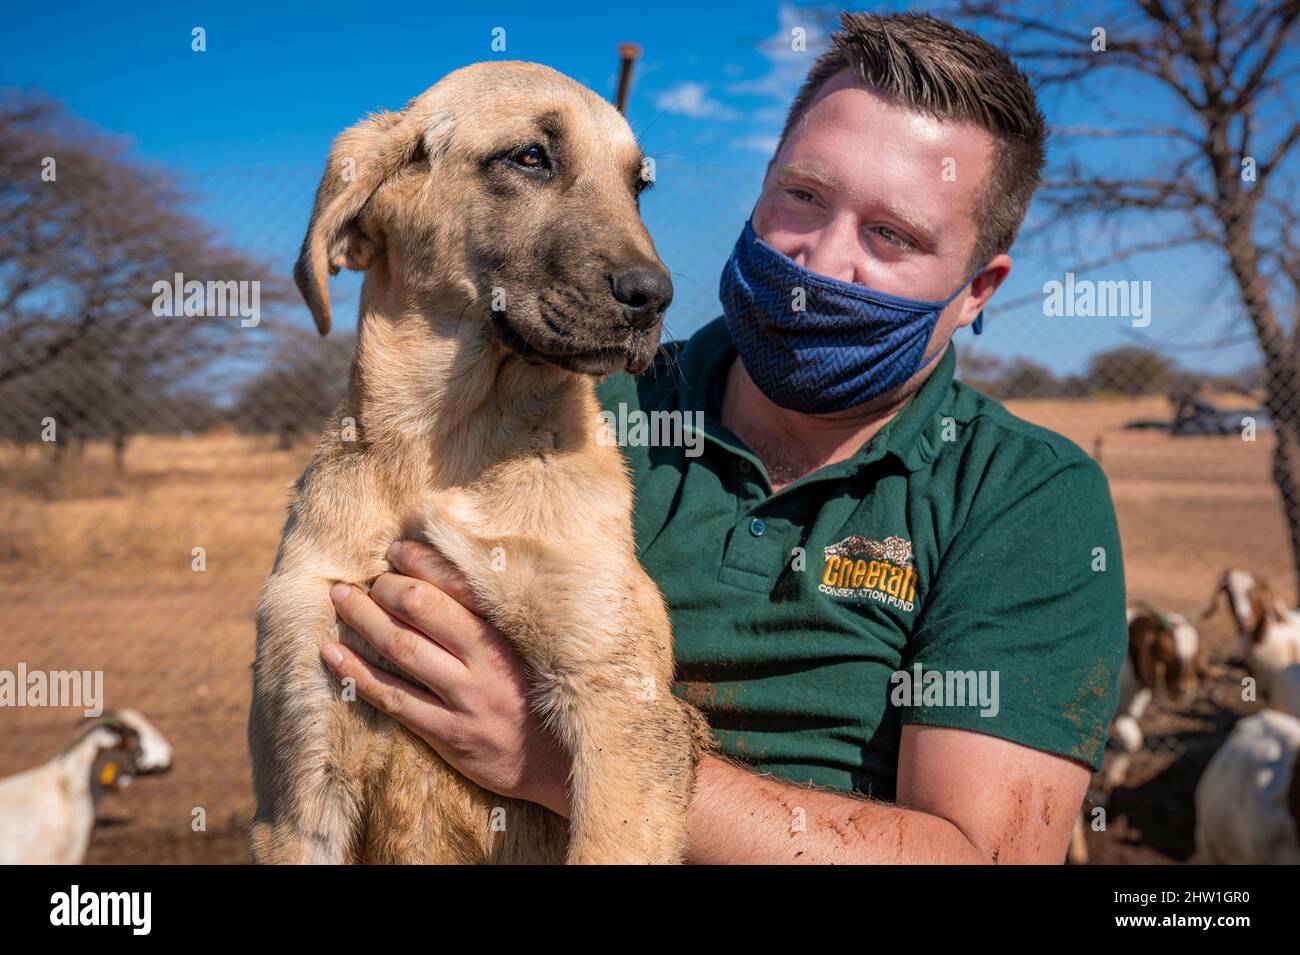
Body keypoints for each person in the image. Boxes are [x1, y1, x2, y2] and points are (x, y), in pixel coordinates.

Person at [320, 12, 1127, 863]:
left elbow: (980, 858)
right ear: (763, 183)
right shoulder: (577, 406)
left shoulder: (1024, 496)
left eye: (891, 236)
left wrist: (574, 758)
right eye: (803, 196)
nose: (819, 262)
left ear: (977, 291)